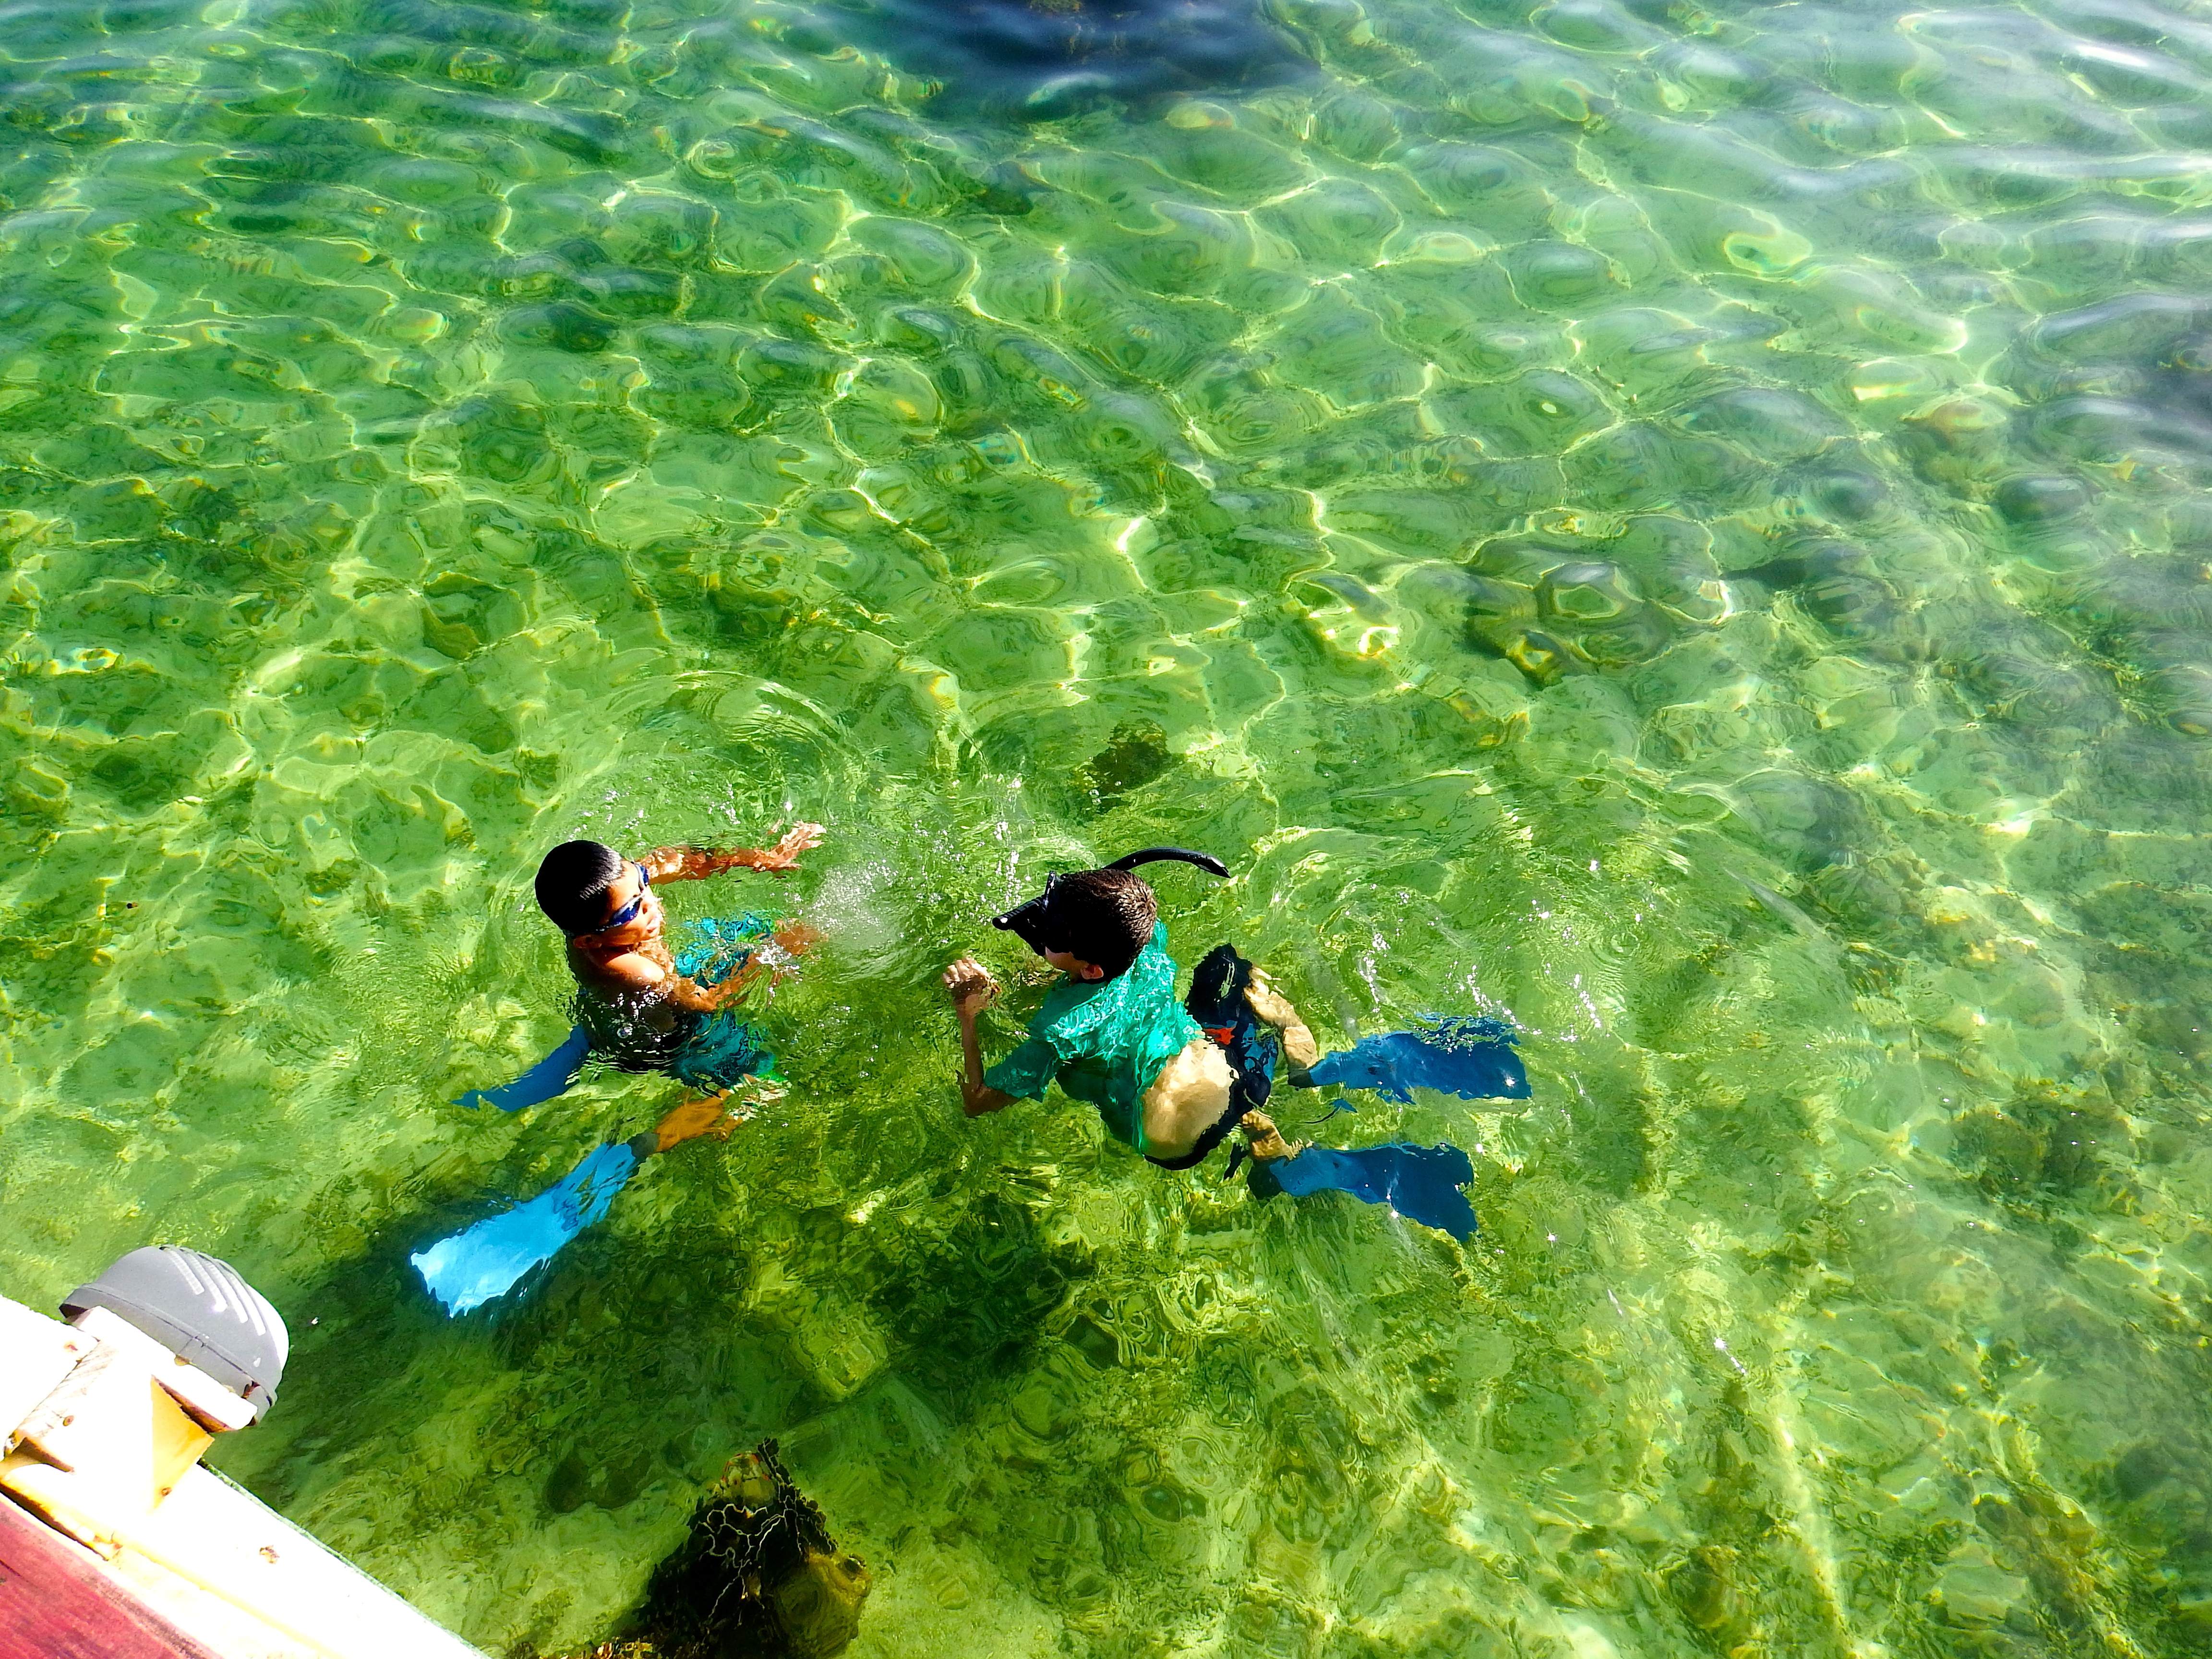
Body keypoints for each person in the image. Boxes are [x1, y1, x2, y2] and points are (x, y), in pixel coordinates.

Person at [940, 866, 1318, 1168]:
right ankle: (1287, 1036)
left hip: (1172, 1145)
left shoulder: (1058, 1033)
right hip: (1232, 1079)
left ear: (1091, 971)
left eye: (1054, 935)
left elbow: (977, 1103)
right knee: (1225, 962)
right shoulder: (1149, 938)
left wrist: (967, 1012)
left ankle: (1254, 1114)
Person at [533, 827, 824, 1144]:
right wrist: (771, 955)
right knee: (765, 1082)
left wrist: (761, 858)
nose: (651, 902)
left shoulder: (615, 891)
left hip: (665, 993)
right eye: (633, 909)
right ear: (589, 941)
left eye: (643, 882)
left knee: (761, 923)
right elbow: (707, 1002)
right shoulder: (636, 972)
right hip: (664, 1041)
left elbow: (683, 861)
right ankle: (656, 1140)